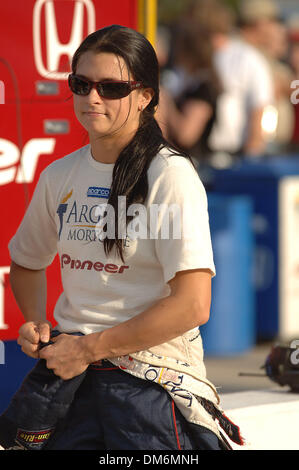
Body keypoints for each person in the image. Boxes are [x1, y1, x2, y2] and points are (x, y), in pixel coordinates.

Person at [5, 25, 241, 451]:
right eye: (81, 84)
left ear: (145, 96)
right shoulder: (59, 175)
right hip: (68, 377)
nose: (92, 98)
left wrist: (89, 347)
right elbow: (25, 261)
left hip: (149, 382)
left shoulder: (170, 176)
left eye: (112, 88)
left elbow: (193, 304)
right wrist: (36, 322)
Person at [184, 0, 275, 159]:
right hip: (197, 155)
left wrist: (250, 160)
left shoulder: (247, 59)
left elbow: (259, 110)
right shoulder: (196, 58)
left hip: (231, 157)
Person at [156, 20, 222, 181]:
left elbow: (187, 134)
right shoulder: (188, 83)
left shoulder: (203, 88)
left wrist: (166, 101)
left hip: (195, 169)